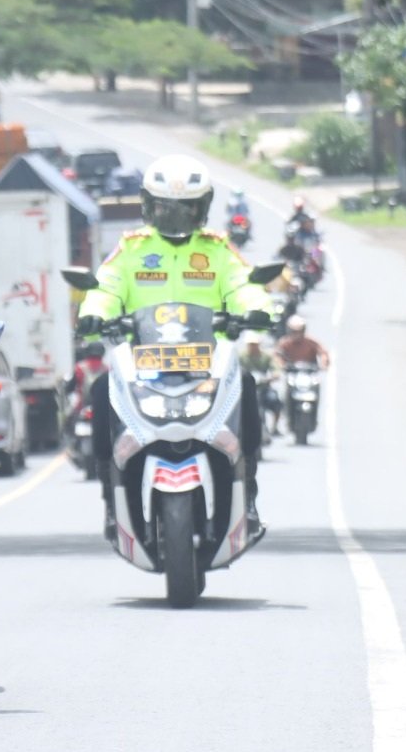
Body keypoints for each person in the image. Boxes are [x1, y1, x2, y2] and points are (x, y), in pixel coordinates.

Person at [76, 154, 271, 538]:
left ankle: (247, 493)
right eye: (165, 209)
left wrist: (258, 309)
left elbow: (244, 284)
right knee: (100, 392)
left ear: (204, 208)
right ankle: (109, 497)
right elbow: (105, 286)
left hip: (208, 365)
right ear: (148, 206)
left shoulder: (218, 249)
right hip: (141, 364)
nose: (176, 217)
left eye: (187, 209)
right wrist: (93, 314)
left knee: (247, 388)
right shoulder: (131, 249)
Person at [241, 331, 282, 437]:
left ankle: (275, 427)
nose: (253, 347)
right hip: (246, 391)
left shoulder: (266, 357)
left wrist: (273, 376)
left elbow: (276, 368)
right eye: (251, 345)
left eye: (255, 344)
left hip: (263, 388)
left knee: (276, 402)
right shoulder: (241, 357)